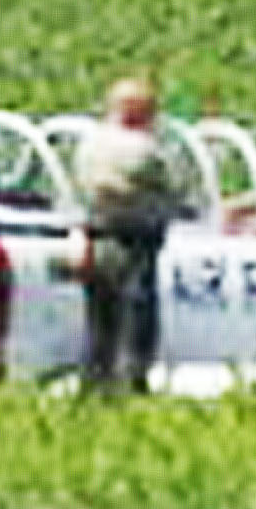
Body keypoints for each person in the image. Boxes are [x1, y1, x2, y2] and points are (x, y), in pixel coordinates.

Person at [74, 73, 187, 397]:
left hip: (96, 241)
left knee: (99, 326)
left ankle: (94, 389)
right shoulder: (143, 150)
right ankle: (132, 389)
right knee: (137, 325)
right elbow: (174, 189)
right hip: (135, 245)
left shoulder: (89, 145)